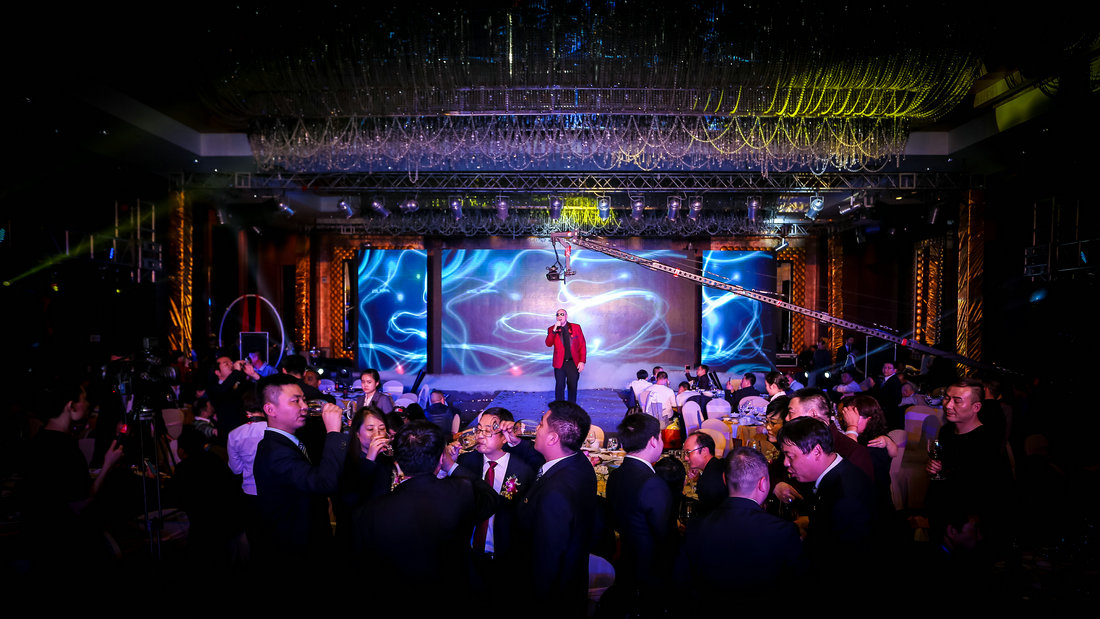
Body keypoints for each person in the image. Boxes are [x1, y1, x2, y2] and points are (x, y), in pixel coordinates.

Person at [352, 420, 498, 601]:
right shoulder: (461, 491)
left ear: (398, 461)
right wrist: (451, 466)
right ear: (440, 459)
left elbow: (362, 568)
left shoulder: (370, 512)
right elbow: (491, 499)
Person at [675, 447, 805, 600]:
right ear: (763, 484)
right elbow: (798, 587)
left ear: (724, 479)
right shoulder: (784, 531)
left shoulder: (696, 527)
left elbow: (681, 584)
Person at [509, 400, 597, 615]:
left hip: (551, 599)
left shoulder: (555, 492)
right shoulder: (578, 461)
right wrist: (517, 443)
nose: (536, 429)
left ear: (553, 438)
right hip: (573, 579)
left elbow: (546, 560)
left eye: (540, 424)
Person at [252, 373, 347, 566]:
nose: (304, 406)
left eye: (304, 399)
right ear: (270, 409)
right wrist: (333, 433)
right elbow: (324, 483)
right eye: (296, 401)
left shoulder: (287, 440)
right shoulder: (275, 452)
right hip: (296, 547)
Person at [449, 407, 537, 588]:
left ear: (505, 436)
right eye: (479, 429)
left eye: (488, 431)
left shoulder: (523, 470)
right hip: (467, 553)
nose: (480, 436)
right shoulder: (465, 463)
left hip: (506, 556)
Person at [777, 417, 878, 573]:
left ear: (817, 451)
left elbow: (840, 560)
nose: (785, 463)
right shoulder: (838, 471)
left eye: (790, 456)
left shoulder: (846, 499)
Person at [605, 413, 674, 613]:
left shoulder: (616, 475)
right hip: (650, 570)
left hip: (624, 561)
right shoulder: (652, 484)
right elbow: (664, 536)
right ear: (653, 441)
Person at [545, 308, 586, 403]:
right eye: (557, 314)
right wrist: (554, 330)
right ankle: (560, 408)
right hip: (560, 364)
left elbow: (582, 345)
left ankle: (571, 408)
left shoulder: (576, 327)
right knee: (559, 387)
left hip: (573, 363)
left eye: (562, 314)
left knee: (572, 387)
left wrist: (582, 361)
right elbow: (548, 343)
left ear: (566, 316)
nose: (559, 316)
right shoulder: (551, 329)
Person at [683, 431, 725, 516]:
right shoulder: (720, 464)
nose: (685, 458)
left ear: (704, 451)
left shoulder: (708, 481)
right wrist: (698, 478)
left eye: (688, 452)